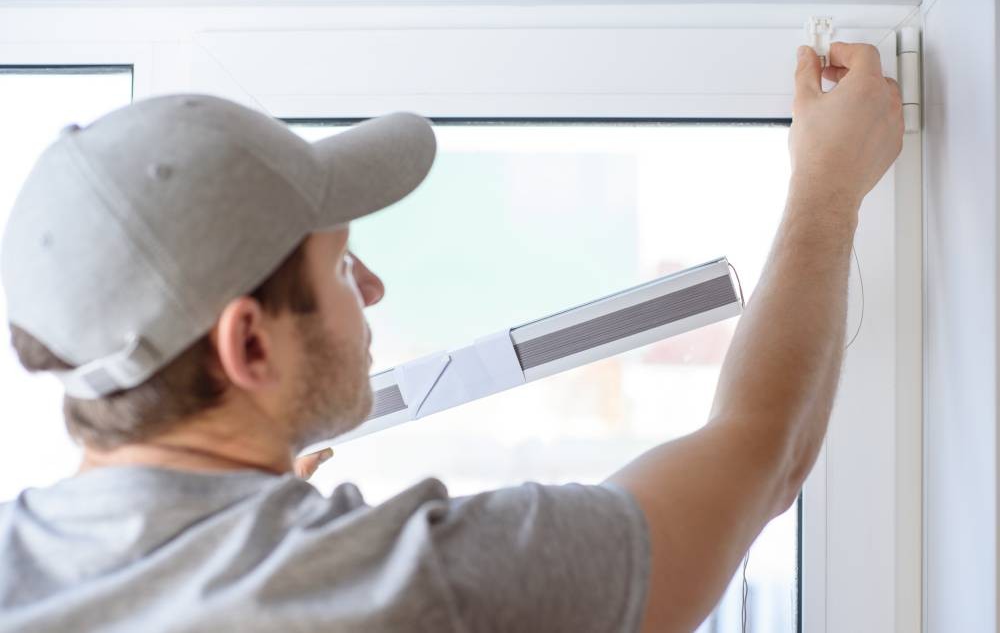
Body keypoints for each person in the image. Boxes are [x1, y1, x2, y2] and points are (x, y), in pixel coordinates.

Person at [0, 42, 902, 633]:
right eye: (344, 266)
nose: (376, 288)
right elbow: (761, 456)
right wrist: (829, 185)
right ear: (251, 347)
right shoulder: (414, 583)